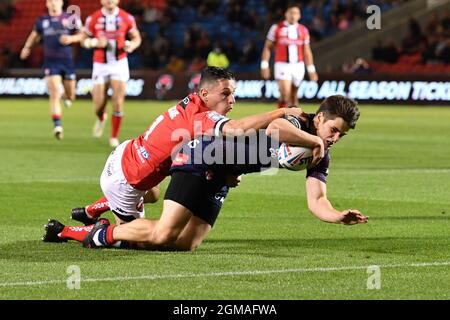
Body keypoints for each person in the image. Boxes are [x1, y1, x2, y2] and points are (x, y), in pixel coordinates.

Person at [44, 95, 368, 251]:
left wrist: (337, 216)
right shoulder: (301, 123)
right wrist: (314, 139)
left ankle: (100, 212)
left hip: (223, 174)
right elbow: (275, 129)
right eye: (333, 129)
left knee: (184, 245)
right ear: (321, 117)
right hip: (199, 156)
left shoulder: (319, 154)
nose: (334, 138)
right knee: (160, 235)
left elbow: (317, 200)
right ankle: (87, 234)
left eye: (342, 135)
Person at [42, 66, 303, 244]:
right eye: (225, 94)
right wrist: (280, 112)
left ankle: (91, 209)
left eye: (233, 93)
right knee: (132, 240)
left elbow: (210, 147)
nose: (232, 100)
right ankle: (69, 232)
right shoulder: (200, 117)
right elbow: (234, 130)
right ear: (204, 94)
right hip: (125, 181)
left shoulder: (193, 103)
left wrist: (228, 171)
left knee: (153, 194)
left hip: (126, 154)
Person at [81, 0, 142, 147]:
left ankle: (113, 137)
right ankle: (101, 117)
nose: (110, 0)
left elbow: (136, 38)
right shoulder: (93, 18)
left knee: (118, 101)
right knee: (98, 106)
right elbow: (83, 39)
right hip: (100, 64)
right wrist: (93, 43)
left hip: (119, 63)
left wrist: (131, 45)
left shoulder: (127, 17)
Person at [20, 0, 83, 140]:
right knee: (54, 93)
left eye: (56, 0)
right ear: (47, 4)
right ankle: (57, 126)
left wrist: (71, 38)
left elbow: (82, 35)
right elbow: (34, 36)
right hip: (50, 62)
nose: (53, 3)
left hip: (67, 62)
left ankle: (65, 96)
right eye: (50, 1)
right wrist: (27, 47)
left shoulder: (71, 17)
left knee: (71, 96)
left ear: (61, 3)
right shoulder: (42, 20)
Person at [260, 2, 318, 109]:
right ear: (286, 14)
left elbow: (307, 51)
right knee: (285, 94)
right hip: (282, 65)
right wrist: (264, 65)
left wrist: (311, 69)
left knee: (294, 96)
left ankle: (293, 120)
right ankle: (280, 120)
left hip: (298, 66)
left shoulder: (303, 30)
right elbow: (268, 47)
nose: (293, 15)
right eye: (291, 13)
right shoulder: (276, 28)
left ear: (299, 16)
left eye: (296, 13)